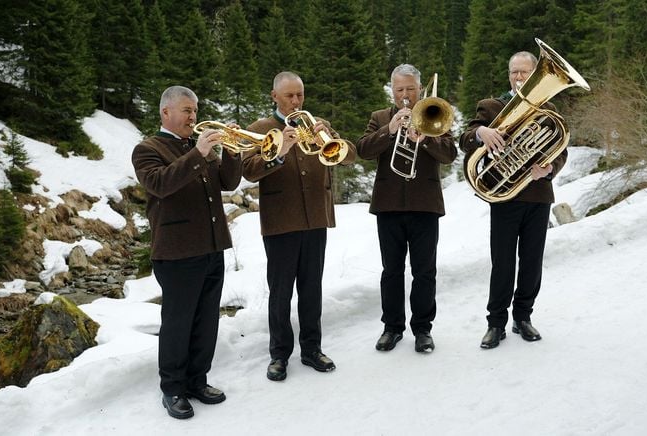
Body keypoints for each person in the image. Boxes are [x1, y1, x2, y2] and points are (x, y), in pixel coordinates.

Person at [132, 85, 242, 419]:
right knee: (178, 323)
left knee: (207, 319)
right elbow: (161, 184)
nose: (193, 116)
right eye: (186, 110)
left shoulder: (198, 147)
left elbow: (228, 182)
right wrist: (198, 154)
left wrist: (233, 151)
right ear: (166, 112)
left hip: (212, 245)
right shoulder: (147, 149)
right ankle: (173, 388)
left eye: (194, 110)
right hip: (177, 252)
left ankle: (197, 380)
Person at [243, 71, 357, 381]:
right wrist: (279, 153)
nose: (296, 101)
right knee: (281, 293)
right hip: (281, 222)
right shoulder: (261, 129)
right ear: (274, 96)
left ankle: (311, 349)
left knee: (312, 289)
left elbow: (348, 156)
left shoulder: (316, 124)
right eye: (290, 96)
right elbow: (249, 171)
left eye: (300, 95)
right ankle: (279, 355)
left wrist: (329, 137)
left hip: (315, 219)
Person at [459, 51, 567, 349]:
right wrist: (482, 132)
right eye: (514, 72)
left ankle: (523, 317)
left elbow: (562, 150)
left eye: (524, 73)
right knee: (502, 263)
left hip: (537, 195)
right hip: (504, 196)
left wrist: (549, 169)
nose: (518, 77)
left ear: (534, 75)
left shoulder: (548, 107)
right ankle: (496, 324)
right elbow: (464, 138)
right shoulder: (492, 106)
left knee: (532, 261)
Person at [356, 64, 457, 353]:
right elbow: (363, 149)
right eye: (399, 89)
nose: (405, 95)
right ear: (392, 90)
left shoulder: (434, 113)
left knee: (425, 271)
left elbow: (449, 154)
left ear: (419, 89)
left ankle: (423, 329)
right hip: (388, 206)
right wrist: (389, 131)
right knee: (391, 271)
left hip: (425, 205)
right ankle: (392, 327)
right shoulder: (379, 118)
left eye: (410, 89)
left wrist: (425, 139)